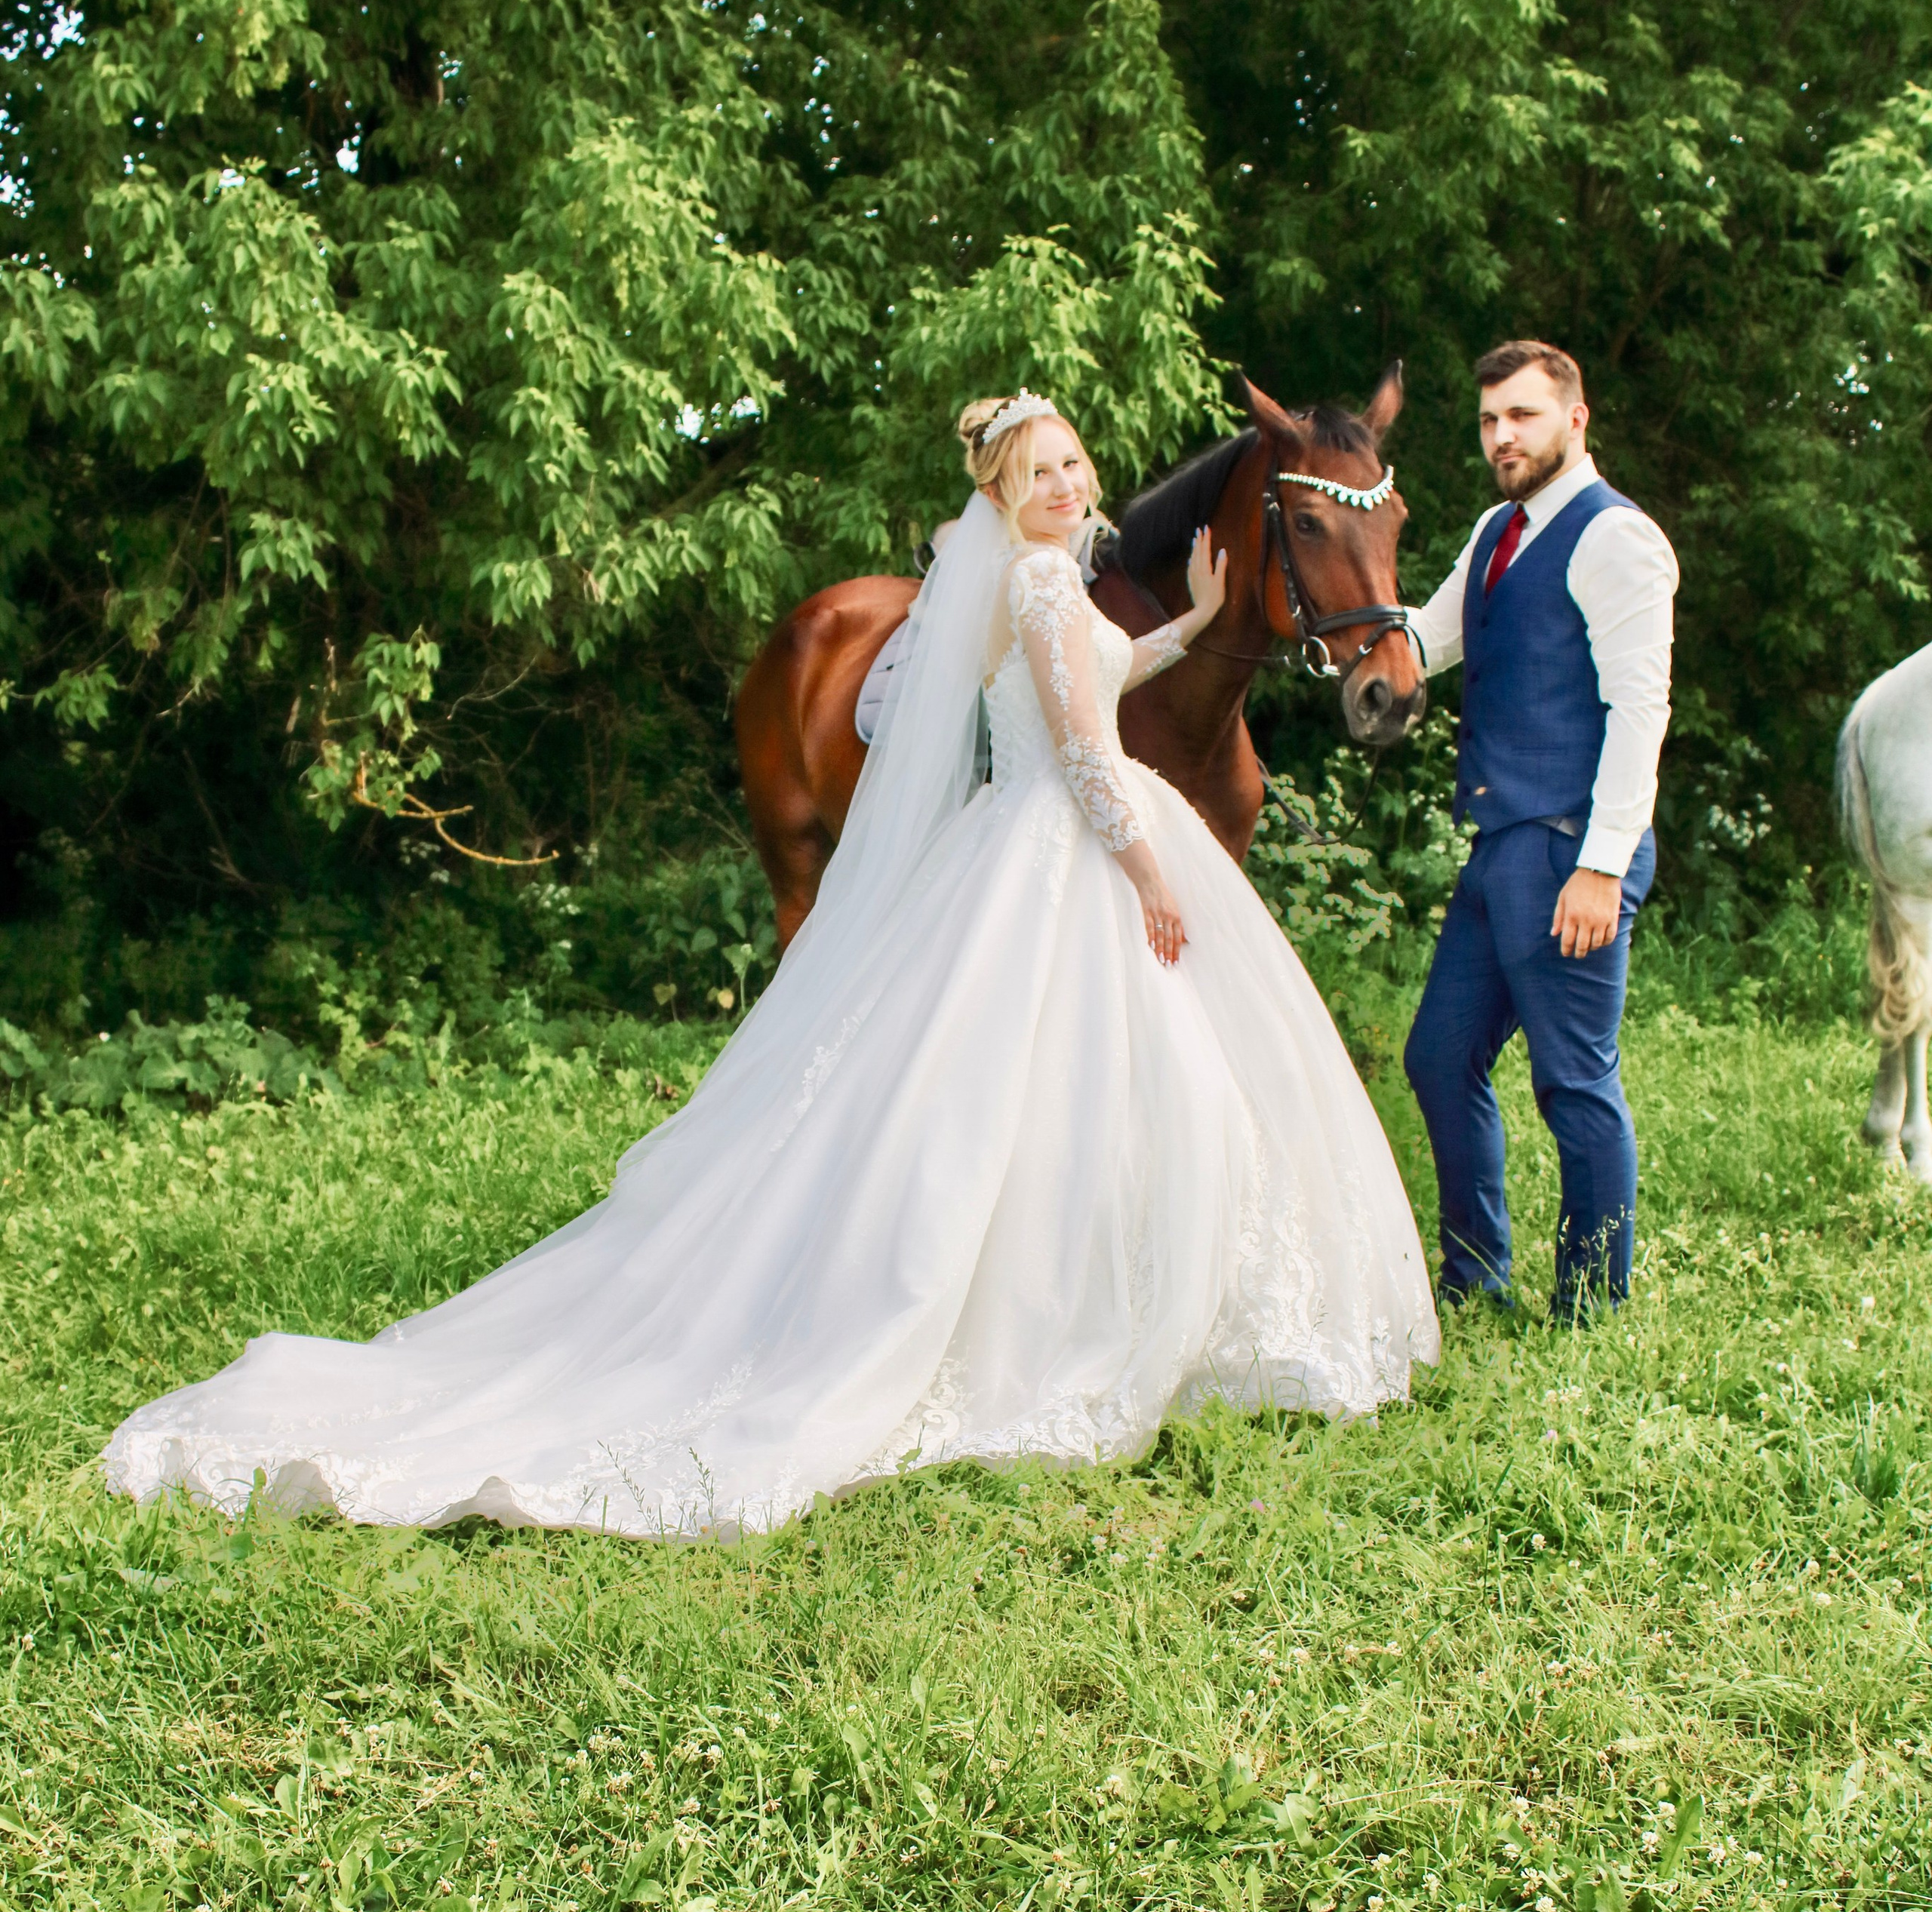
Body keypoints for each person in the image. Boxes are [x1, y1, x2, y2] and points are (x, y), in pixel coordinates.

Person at [103, 392, 1439, 1540]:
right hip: (1071, 845)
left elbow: (1090, 686)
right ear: (1001, 495)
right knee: (1073, 1093)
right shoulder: (1037, 580)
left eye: (1077, 467)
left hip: (1060, 841)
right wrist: (1151, 867)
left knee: (1097, 1087)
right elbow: (1089, 755)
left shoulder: (1055, 591)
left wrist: (1192, 623)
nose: (1069, 488)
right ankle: (1089, 1315)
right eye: (1042, 476)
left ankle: (1132, 1296)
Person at [1403, 340, 1678, 1317]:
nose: (1502, 436)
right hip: (1496, 850)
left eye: (1521, 415)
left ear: (1576, 418)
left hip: (1569, 848)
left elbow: (1641, 713)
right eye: (1488, 420)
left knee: (1574, 1083)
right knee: (1438, 1058)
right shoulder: (1496, 530)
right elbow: (1422, 643)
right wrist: (1312, 614)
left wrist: (1601, 868)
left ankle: (1592, 1308)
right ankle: (1477, 1279)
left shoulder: (1615, 538)